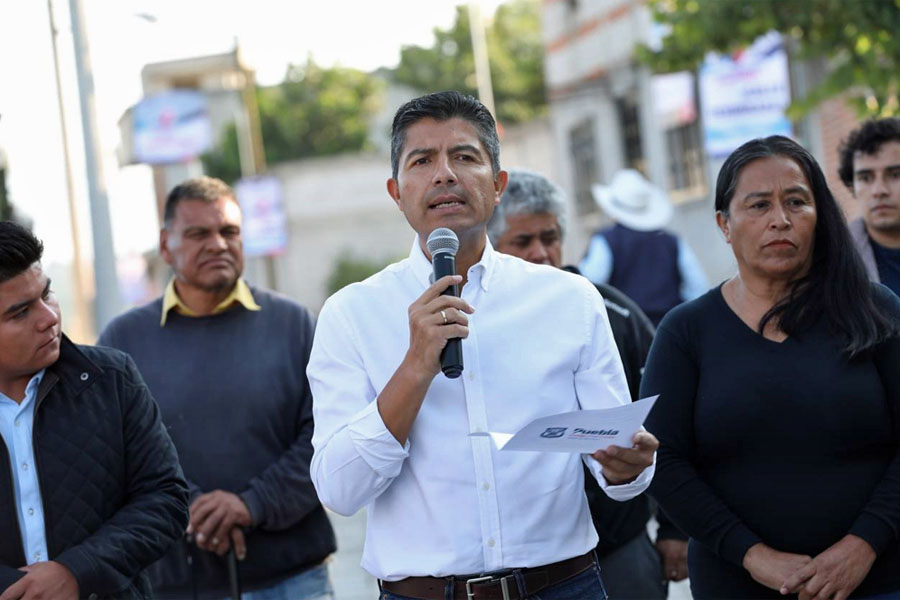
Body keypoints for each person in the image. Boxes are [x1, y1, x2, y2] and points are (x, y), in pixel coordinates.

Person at [308, 91, 658, 600]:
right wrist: (415, 366)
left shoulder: (569, 299)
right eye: (422, 160)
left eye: (465, 157)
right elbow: (340, 491)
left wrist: (629, 468)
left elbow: (610, 456)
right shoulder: (351, 314)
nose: (445, 174)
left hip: (562, 585)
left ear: (497, 186)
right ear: (396, 192)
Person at [643, 135, 900, 599]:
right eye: (758, 205)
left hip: (877, 580)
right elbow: (663, 459)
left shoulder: (875, 310)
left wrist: (863, 545)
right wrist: (753, 555)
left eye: (797, 202)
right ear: (724, 223)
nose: (780, 220)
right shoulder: (686, 332)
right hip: (735, 583)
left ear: (819, 216)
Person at [98, 177, 336, 599]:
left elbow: (325, 434)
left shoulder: (293, 324)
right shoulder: (124, 340)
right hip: (177, 582)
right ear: (167, 246)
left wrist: (251, 504)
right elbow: (113, 454)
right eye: (198, 234)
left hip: (294, 577)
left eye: (229, 231)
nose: (218, 244)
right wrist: (188, 509)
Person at [486, 169, 689, 596]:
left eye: (550, 236)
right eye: (523, 242)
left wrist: (675, 528)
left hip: (621, 547)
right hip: (527, 560)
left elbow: (668, 417)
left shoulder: (611, 311)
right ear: (492, 247)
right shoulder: (474, 327)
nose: (542, 252)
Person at [0, 221, 188, 600]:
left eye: (47, 294)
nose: (49, 318)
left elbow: (165, 499)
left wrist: (77, 571)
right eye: (20, 313)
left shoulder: (112, 379)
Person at [579, 169, 709, 325]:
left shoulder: (606, 240)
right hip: (668, 329)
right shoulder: (671, 241)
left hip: (626, 332)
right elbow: (698, 287)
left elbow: (590, 284)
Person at [838, 117, 900, 296]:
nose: (879, 190)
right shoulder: (834, 261)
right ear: (853, 185)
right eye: (865, 178)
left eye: (895, 175)